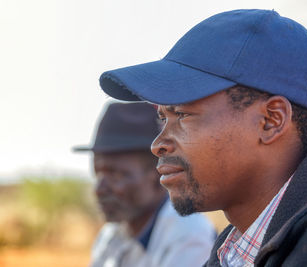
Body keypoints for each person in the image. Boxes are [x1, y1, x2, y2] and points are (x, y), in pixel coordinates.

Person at [97, 9, 307, 267]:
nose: (158, 145)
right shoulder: (237, 246)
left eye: (182, 115)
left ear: (271, 120)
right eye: (163, 119)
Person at [73, 102, 216, 267]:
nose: (99, 189)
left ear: (158, 174)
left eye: (116, 175)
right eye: (98, 173)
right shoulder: (112, 235)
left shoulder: (188, 236)